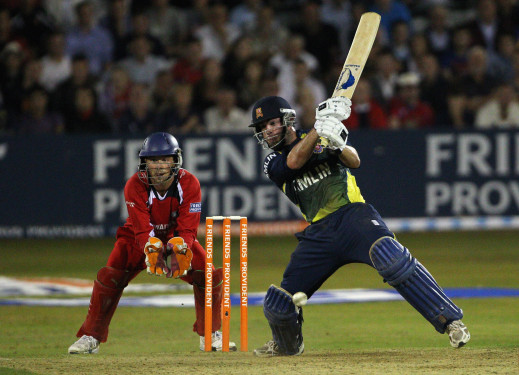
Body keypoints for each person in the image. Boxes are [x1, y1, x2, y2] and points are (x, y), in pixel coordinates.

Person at [248, 96, 470, 357]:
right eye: (262, 127)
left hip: (354, 217)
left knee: (392, 258)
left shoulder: (322, 135)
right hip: (319, 233)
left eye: (272, 123)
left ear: (287, 120)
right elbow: (294, 162)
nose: (267, 131)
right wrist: (321, 127)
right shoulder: (272, 162)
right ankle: (287, 346)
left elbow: (354, 161)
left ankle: (452, 321)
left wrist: (339, 143)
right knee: (279, 303)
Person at [68, 132, 235, 354]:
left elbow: (188, 228)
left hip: (176, 235)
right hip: (139, 237)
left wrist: (180, 249)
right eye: (153, 160)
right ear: (144, 161)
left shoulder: (189, 183)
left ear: (175, 161)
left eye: (164, 159)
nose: (158, 166)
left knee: (208, 274)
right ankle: (91, 336)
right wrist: (152, 251)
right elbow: (141, 228)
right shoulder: (134, 185)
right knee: (111, 275)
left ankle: (211, 335)